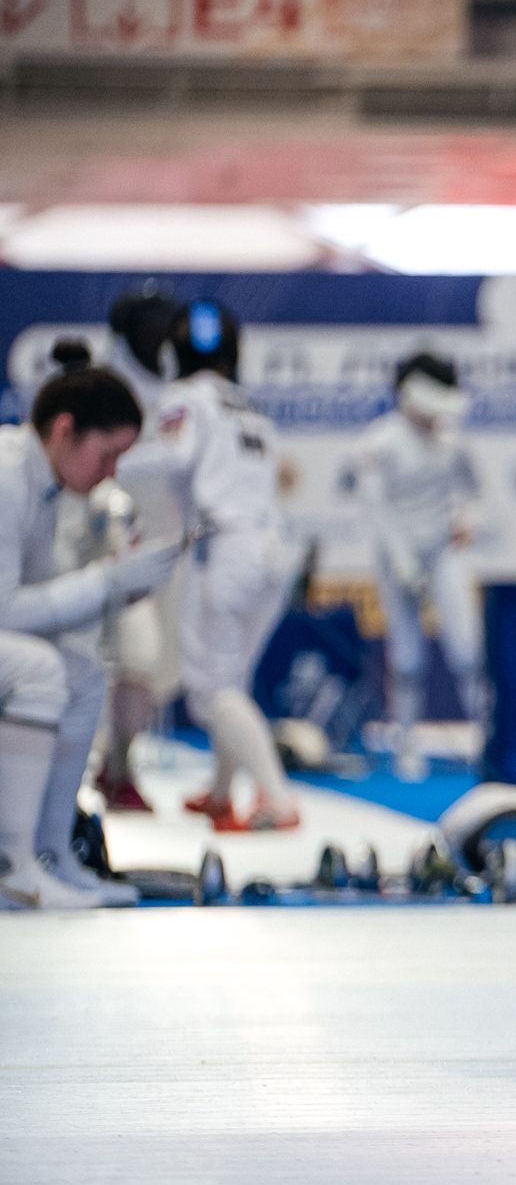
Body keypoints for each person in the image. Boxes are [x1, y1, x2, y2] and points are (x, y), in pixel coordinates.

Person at [0, 367, 179, 907]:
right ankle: (12, 863)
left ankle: (51, 853)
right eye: (107, 455)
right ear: (64, 430)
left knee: (82, 675)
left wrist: (118, 590)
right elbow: (6, 611)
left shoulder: (42, 486)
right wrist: (104, 582)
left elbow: (40, 608)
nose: (111, 473)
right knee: (40, 669)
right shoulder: (7, 475)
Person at [131, 301, 304, 832]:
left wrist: (116, 460)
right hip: (272, 550)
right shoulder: (251, 407)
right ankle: (224, 792)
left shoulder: (185, 397)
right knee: (233, 681)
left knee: (211, 690)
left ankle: (278, 801)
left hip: (225, 549)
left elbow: (174, 458)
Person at [355, 352, 483, 779]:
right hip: (397, 556)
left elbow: (474, 490)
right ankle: (406, 745)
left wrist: (466, 519)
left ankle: (489, 739)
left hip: (442, 550)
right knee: (407, 656)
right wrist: (403, 561)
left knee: (467, 649)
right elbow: (377, 509)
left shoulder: (451, 441)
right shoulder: (380, 441)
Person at [90, 283, 186, 812]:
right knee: (134, 656)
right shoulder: (105, 384)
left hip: (168, 546)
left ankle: (117, 765)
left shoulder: (178, 382)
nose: (161, 335)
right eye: (151, 325)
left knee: (162, 665)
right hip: (116, 546)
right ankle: (114, 768)